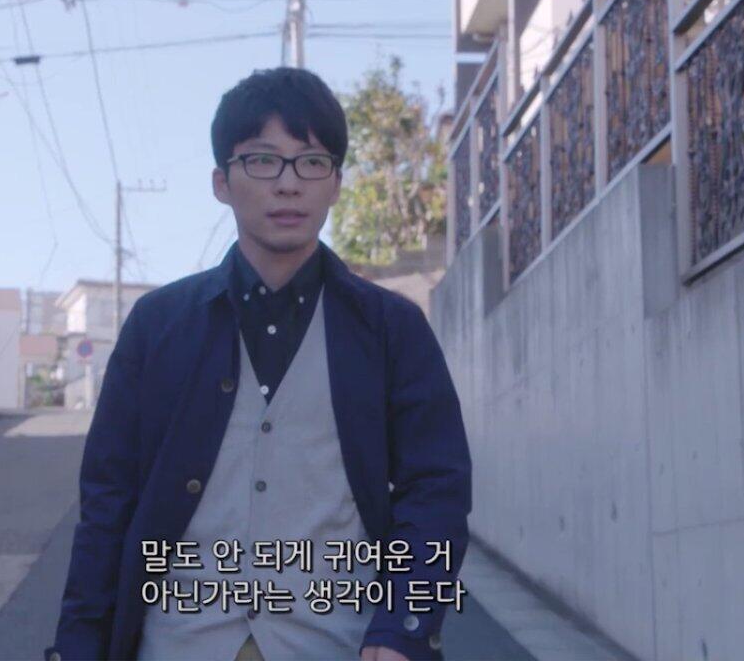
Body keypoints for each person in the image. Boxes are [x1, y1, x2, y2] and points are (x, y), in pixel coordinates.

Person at [45, 67, 471, 661]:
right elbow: (107, 503)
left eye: (311, 162)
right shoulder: (158, 325)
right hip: (178, 644)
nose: (289, 184)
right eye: (263, 161)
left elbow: (436, 490)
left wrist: (404, 626)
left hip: (338, 643)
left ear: (336, 183)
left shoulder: (391, 330)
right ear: (222, 182)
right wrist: (77, 644)